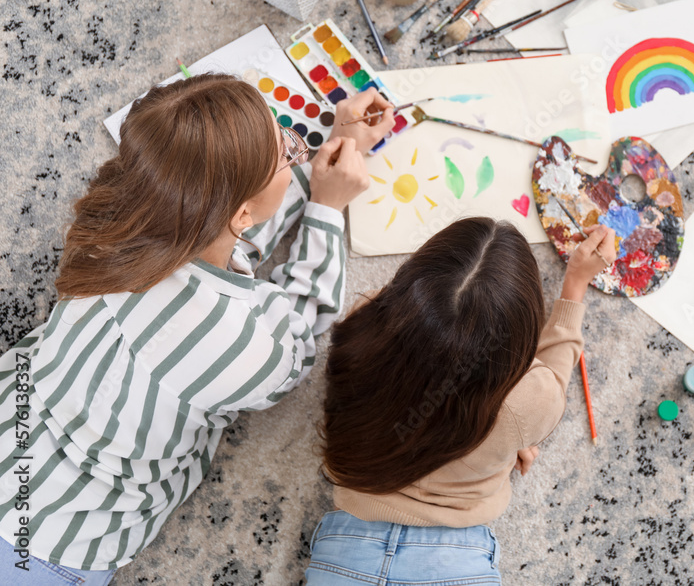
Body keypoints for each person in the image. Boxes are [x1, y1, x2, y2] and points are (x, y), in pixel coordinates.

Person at [0, 73, 394, 582]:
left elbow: (219, 223)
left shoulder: (105, 220)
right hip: (52, 545)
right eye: (287, 153)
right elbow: (299, 331)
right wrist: (326, 210)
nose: (294, 153)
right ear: (243, 212)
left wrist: (333, 149)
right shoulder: (247, 351)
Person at [306, 217, 616, 585]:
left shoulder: (361, 332)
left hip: (345, 548)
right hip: (453, 562)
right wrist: (575, 285)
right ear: (522, 334)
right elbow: (550, 380)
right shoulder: (528, 400)